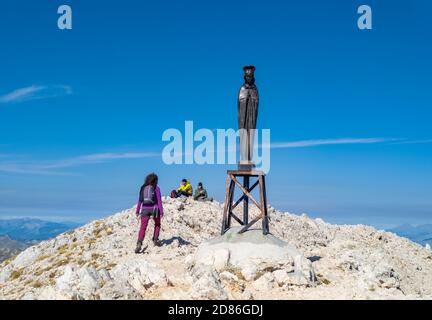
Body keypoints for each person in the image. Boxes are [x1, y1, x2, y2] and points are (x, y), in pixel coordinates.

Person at [135, 173, 164, 253]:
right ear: (155, 181)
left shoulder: (143, 187)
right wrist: (161, 211)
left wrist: (137, 211)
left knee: (143, 227)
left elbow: (140, 200)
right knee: (157, 224)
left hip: (144, 209)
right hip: (155, 209)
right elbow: (159, 201)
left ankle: (139, 243)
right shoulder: (156, 188)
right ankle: (155, 239)